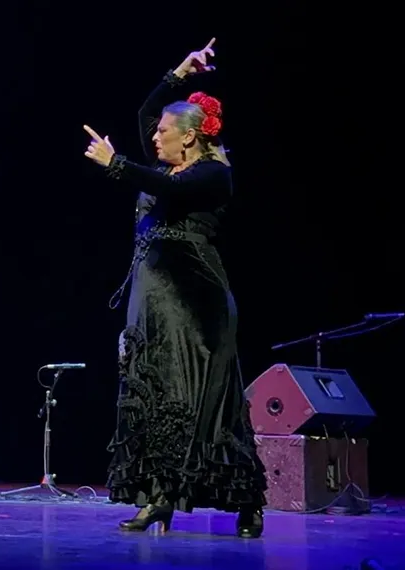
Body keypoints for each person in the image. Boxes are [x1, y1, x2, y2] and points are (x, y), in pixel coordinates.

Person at [82, 38, 267, 538]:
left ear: (187, 138)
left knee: (204, 400)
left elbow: (173, 190)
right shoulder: (167, 164)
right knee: (153, 395)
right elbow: (147, 110)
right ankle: (156, 498)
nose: (155, 135)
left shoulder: (213, 175)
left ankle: (246, 502)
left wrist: (117, 164)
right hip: (152, 298)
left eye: (164, 131)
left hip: (195, 301)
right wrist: (181, 72)